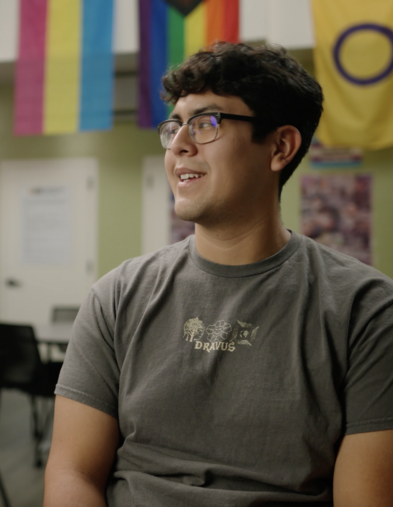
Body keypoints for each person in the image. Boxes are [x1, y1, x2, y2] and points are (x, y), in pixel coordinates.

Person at [44, 42, 393, 507]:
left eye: (206, 123)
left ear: (280, 147)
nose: (180, 145)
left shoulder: (368, 310)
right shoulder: (116, 296)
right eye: (174, 127)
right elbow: (73, 473)